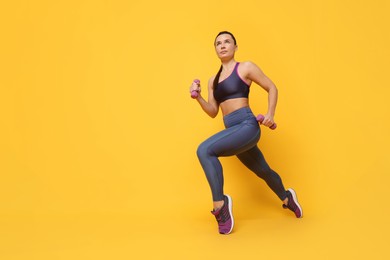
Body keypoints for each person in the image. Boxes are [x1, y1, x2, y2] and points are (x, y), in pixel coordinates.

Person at [189, 31, 303, 235]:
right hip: (232, 131)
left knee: (204, 150)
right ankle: (287, 197)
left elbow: (272, 87)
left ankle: (220, 206)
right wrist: (198, 97)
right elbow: (213, 112)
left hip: (247, 126)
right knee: (263, 171)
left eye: (227, 42)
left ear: (235, 46)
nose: (222, 46)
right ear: (215, 49)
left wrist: (270, 114)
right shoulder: (212, 80)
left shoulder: (245, 67)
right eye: (218, 43)